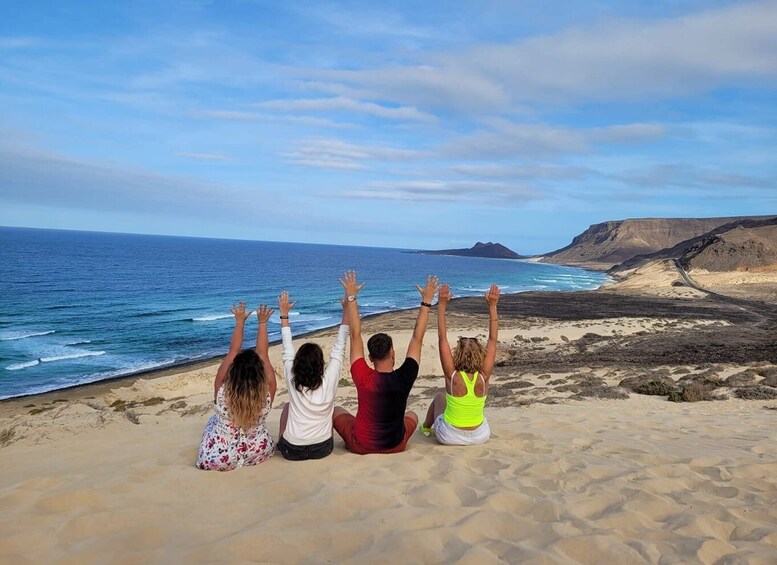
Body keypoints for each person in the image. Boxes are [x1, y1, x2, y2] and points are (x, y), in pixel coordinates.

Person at [333, 270, 438, 455]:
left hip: (361, 445)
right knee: (412, 415)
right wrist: (426, 302)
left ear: (370, 358)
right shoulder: (405, 376)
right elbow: (417, 338)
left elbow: (355, 335)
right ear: (393, 353)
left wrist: (351, 298)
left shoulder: (362, 375)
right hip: (396, 445)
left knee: (336, 411)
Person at [196, 302, 277, 471]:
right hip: (257, 452)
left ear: (233, 372)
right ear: (260, 374)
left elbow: (233, 352)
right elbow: (263, 354)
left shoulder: (221, 392)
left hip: (218, 457)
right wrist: (262, 323)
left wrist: (240, 321)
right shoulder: (266, 395)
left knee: (212, 421)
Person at [420, 283, 500, 445]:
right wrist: (492, 306)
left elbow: (442, 337)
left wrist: (441, 304)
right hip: (480, 436)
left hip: (450, 436)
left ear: (457, 353)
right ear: (479, 354)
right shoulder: (484, 376)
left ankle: (425, 428)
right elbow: (492, 339)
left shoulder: (453, 375)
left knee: (439, 398)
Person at [276, 290, 349, 461]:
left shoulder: (292, 377)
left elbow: (287, 348)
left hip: (292, 450)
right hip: (322, 448)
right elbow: (340, 346)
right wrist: (346, 311)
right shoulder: (329, 378)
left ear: (297, 363)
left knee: (287, 407)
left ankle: (280, 444)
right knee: (330, 408)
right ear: (320, 363)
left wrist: (284, 315)